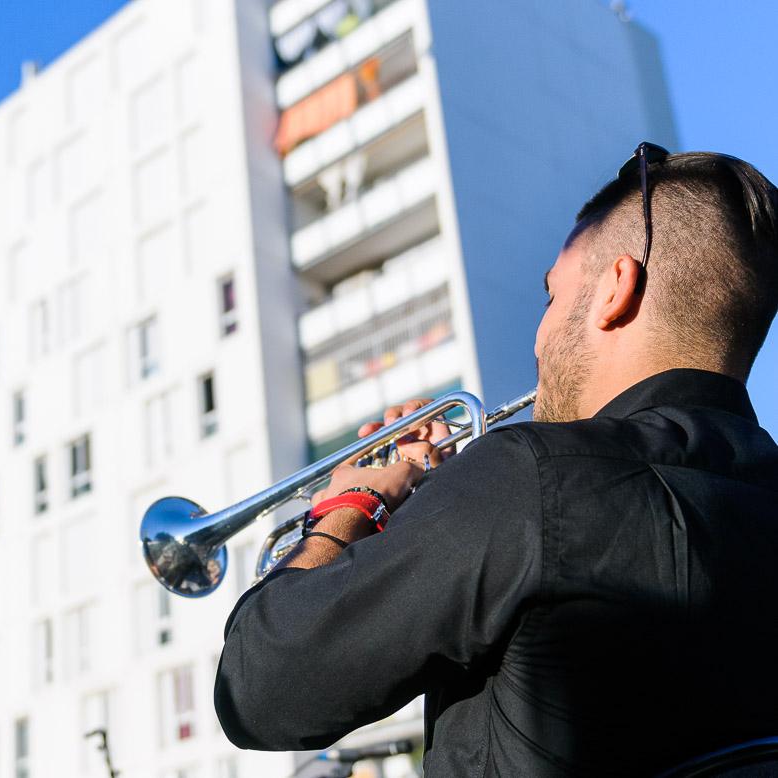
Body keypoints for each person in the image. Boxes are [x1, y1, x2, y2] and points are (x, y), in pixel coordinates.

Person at [214, 146, 778, 776]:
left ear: (616, 291)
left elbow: (258, 688)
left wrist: (351, 506)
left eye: (551, 299)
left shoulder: (530, 475)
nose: (539, 340)